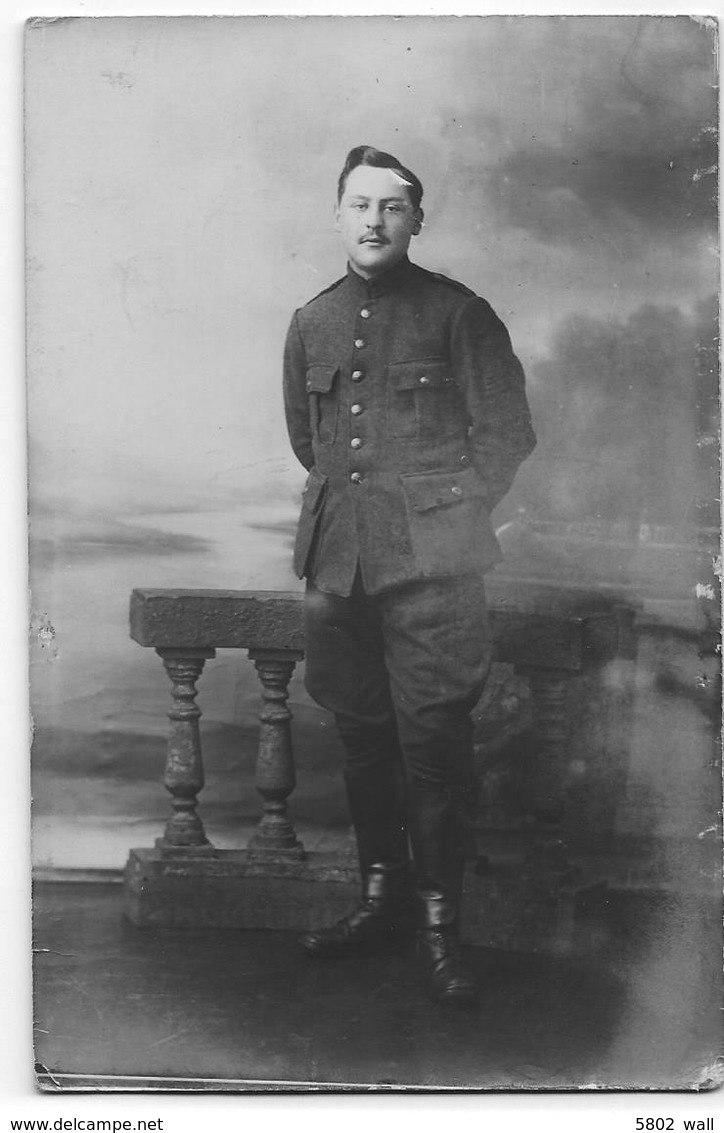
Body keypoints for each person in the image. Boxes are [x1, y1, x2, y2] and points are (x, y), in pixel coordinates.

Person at [283, 145, 536, 1006]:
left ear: (417, 220)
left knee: (433, 749)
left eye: (392, 208)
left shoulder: (459, 314)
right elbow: (306, 442)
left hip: (435, 571)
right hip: (337, 567)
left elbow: (506, 436)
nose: (374, 222)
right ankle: (380, 902)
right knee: (360, 740)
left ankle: (439, 928)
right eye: (359, 205)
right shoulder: (311, 320)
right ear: (338, 214)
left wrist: (446, 515)